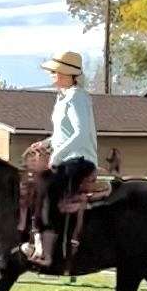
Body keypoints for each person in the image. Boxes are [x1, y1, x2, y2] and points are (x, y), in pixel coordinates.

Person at [21, 51, 98, 266]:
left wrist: (56, 155)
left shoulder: (77, 97)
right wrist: (45, 144)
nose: (51, 75)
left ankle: (48, 250)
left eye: (54, 71)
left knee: (48, 186)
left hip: (80, 159)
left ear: (66, 73)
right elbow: (63, 134)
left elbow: (80, 133)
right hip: (68, 156)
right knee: (36, 184)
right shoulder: (63, 98)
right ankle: (37, 239)